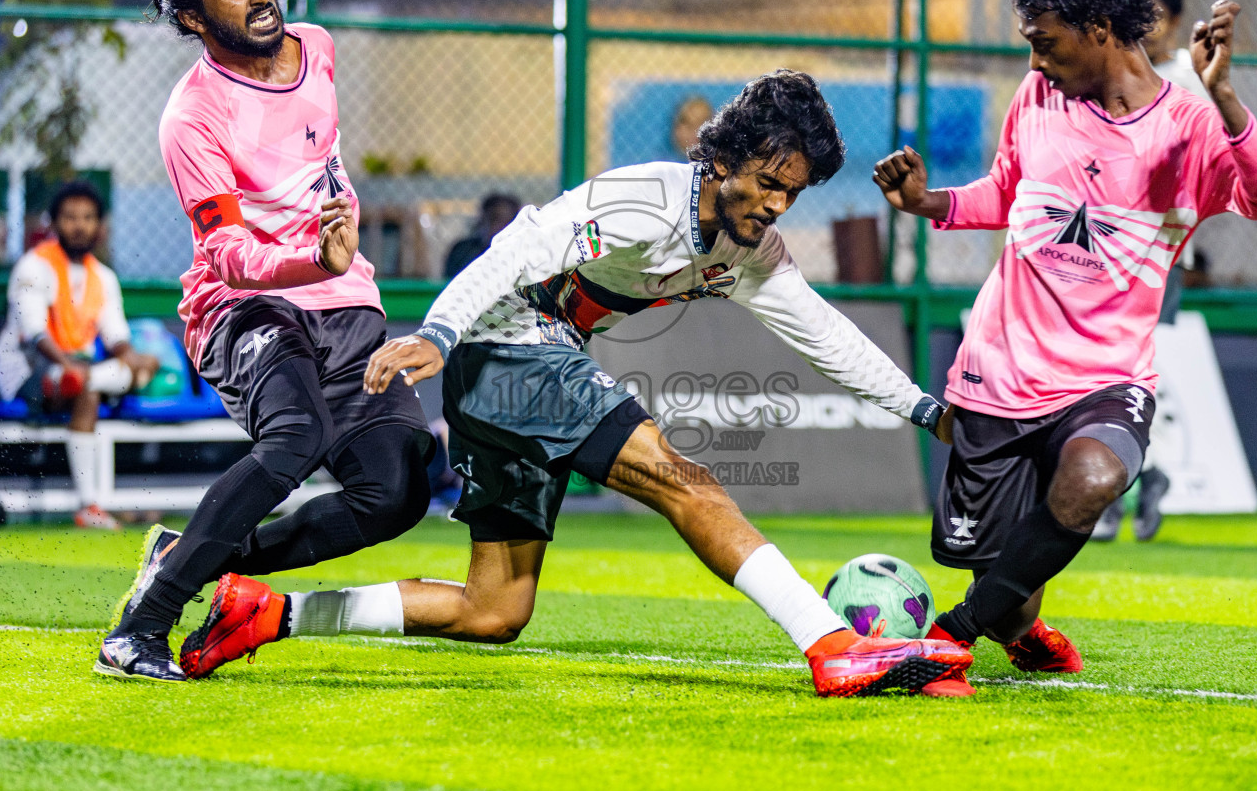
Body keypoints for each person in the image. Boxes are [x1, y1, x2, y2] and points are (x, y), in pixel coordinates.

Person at [178, 69, 974, 699]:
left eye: (792, 193)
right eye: (767, 182)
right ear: (722, 159)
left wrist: (924, 410)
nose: (775, 204)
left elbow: (825, 333)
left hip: (518, 365)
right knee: (680, 479)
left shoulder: (748, 250)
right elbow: (517, 250)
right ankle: (830, 645)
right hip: (504, 346)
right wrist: (440, 332)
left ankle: (265, 612)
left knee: (493, 610)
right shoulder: (643, 202)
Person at [873, 0, 1257, 690]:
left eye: (1046, 42)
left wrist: (1224, 95)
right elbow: (1006, 190)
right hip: (997, 376)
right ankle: (1016, 632)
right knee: (1010, 603)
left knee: (1096, 475)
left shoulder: (1189, 129)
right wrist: (927, 201)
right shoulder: (1039, 97)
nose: (1034, 61)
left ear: (1099, 29)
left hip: (1104, 377)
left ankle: (948, 638)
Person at [93, 0, 433, 682]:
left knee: (399, 486)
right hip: (243, 308)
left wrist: (335, 265)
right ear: (192, 17)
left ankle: (186, 557)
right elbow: (230, 256)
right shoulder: (192, 117)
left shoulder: (318, 48)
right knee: (295, 438)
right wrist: (313, 257)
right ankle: (137, 631)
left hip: (345, 302)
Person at [1090, 0, 1197, 543]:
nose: (1145, 24)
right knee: (1104, 374)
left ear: (1175, 20)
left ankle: (1113, 487)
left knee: (1131, 375)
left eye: (1154, 12)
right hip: (1105, 249)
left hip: (1159, 255)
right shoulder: (1115, 76)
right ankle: (1135, 479)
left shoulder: (1189, 79)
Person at [0, 181, 161, 531]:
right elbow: (35, 333)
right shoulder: (33, 265)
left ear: (100, 226)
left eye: (88, 218)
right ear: (54, 223)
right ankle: (90, 507)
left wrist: (132, 359)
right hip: (29, 370)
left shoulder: (104, 277)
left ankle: (91, 380)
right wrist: (70, 367)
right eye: (70, 217)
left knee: (140, 366)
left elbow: (116, 336)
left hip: (80, 370)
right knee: (88, 391)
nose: (79, 225)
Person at [443, 193, 522, 278]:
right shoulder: (462, 251)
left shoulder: (525, 254)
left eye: (508, 222)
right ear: (482, 220)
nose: (501, 227)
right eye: (495, 220)